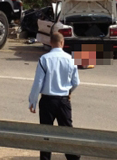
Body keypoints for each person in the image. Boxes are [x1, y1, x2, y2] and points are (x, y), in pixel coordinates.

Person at [29, 32, 80, 160]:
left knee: (46, 134)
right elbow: (76, 82)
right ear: (63, 43)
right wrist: (69, 93)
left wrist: (32, 101)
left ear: (50, 43)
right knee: (67, 133)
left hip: (47, 101)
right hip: (63, 101)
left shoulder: (44, 59)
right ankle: (73, 157)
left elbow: (38, 83)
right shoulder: (70, 59)